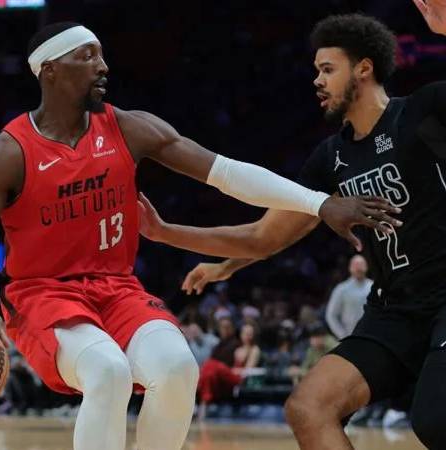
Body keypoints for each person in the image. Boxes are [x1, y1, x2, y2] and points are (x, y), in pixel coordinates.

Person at [0, 23, 398, 450]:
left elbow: (226, 173)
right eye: (88, 56)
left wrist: (320, 203)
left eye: (102, 56)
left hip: (117, 289)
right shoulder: (7, 153)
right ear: (51, 71)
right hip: (43, 295)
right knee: (107, 371)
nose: (104, 66)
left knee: (178, 369)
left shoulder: (129, 127)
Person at [138, 3, 446, 448]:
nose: (316, 81)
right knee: (308, 407)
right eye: (316, 70)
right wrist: (167, 232)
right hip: (395, 311)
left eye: (327, 69)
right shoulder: (328, 160)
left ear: (363, 68)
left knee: (436, 421)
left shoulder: (423, 112)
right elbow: (263, 237)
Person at [325, 255, 372, 339]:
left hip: (372, 336)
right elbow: (331, 315)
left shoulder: (374, 287)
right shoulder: (341, 289)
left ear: (366, 267)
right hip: (351, 336)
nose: (358, 268)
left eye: (361, 265)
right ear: (350, 268)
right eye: (356, 265)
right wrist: (342, 335)